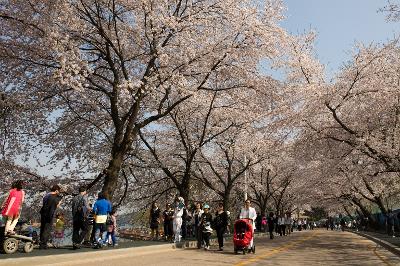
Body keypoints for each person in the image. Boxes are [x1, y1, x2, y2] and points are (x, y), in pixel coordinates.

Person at [40, 184, 62, 249]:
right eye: (58, 191)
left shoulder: (46, 196)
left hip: (43, 213)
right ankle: (43, 244)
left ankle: (41, 242)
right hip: (49, 214)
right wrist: (59, 202)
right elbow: (56, 206)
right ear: (56, 190)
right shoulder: (54, 197)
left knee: (43, 228)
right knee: (47, 229)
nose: (59, 192)